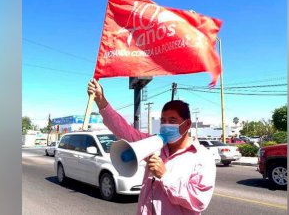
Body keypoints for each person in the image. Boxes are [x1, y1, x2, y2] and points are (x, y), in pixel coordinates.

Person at [87, 79, 216, 215]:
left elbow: (199, 200)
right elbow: (124, 130)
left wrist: (165, 176)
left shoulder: (202, 158)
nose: (166, 125)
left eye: (172, 121)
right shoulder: (154, 144)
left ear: (187, 124)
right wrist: (101, 100)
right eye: (163, 121)